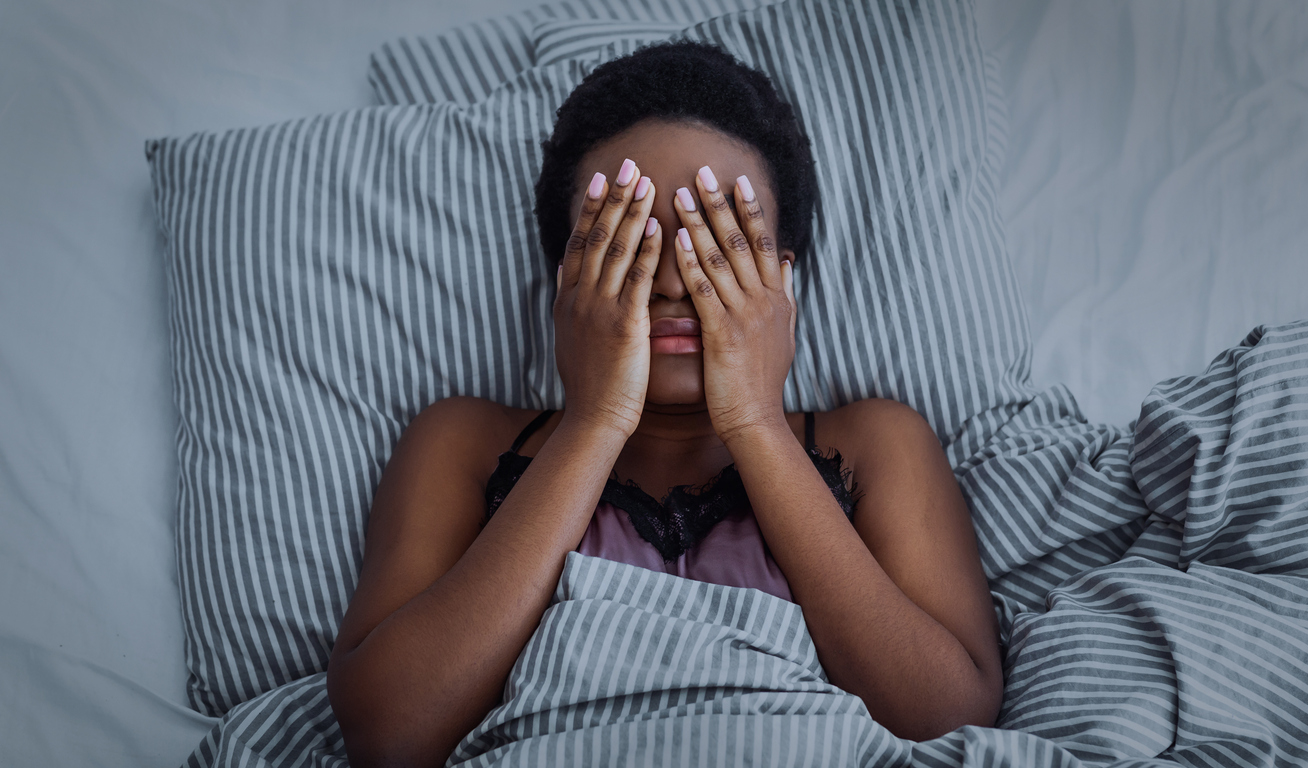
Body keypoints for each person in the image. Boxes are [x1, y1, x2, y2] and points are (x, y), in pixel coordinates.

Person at [326, 41, 1002, 767]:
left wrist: (754, 421)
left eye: (720, 242)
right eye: (633, 240)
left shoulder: (873, 443)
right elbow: (388, 733)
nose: (676, 283)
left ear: (783, 276)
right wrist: (593, 420)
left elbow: (943, 717)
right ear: (565, 275)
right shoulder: (462, 442)